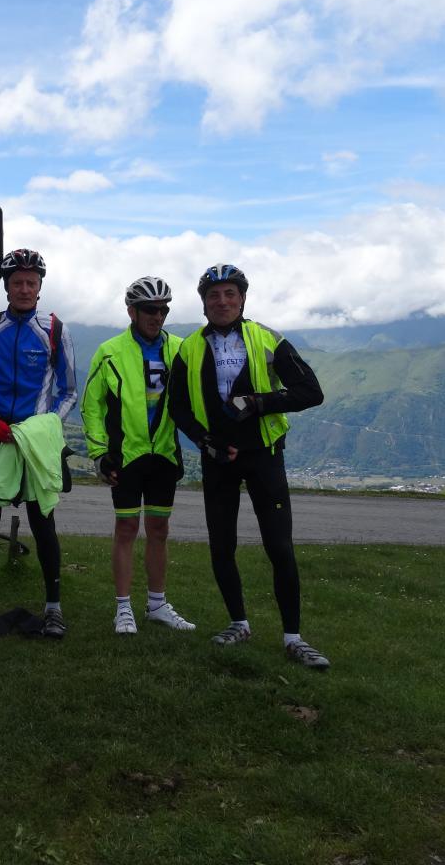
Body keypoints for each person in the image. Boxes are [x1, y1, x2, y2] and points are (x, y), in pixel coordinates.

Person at [167, 264, 330, 669]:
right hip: (217, 459)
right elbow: (178, 408)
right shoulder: (188, 348)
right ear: (203, 302)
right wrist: (205, 442)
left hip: (264, 454)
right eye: (213, 295)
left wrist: (260, 402)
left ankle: (293, 637)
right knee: (222, 546)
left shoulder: (267, 338)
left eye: (229, 294)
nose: (222, 302)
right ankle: (238, 623)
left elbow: (311, 391)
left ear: (242, 298)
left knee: (279, 547)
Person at [0, 248, 77, 639]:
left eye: (31, 282)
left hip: (35, 442)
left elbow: (69, 392)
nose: (24, 288)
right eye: (17, 282)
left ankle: (54, 609)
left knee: (43, 524)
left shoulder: (55, 331)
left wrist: (44, 428)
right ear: (7, 286)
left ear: (40, 286)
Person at [81, 276, 195, 636]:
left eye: (163, 310)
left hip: (163, 453)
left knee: (159, 530)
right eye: (149, 310)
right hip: (127, 456)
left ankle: (158, 605)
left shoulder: (181, 349)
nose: (157, 316)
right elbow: (92, 406)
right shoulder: (110, 351)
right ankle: (123, 608)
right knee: (127, 528)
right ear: (132, 311)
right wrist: (100, 453)